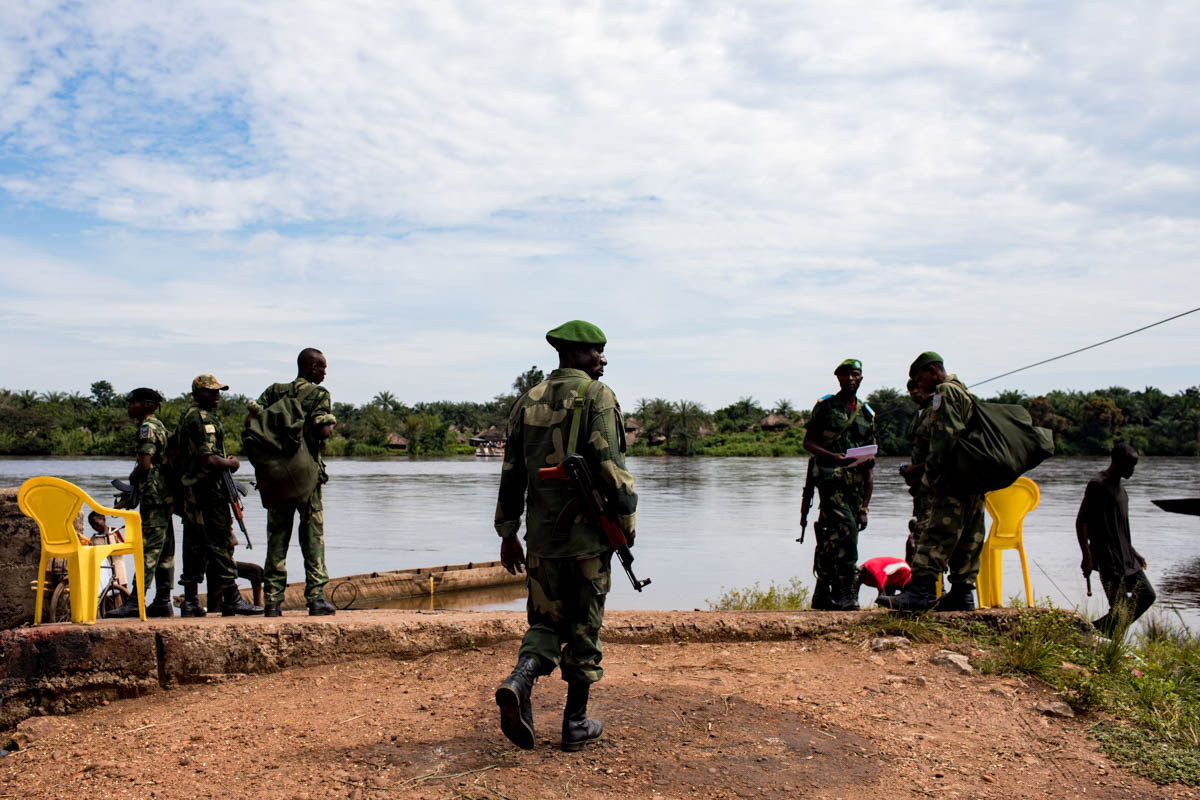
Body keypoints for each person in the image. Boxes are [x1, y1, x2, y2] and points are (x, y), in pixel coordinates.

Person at [493, 320, 638, 752]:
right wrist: (626, 526)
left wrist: (507, 532)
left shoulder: (526, 401)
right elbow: (612, 470)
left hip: (540, 540)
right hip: (588, 540)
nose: (603, 359)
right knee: (583, 628)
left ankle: (520, 680)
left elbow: (511, 475)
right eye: (597, 352)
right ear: (574, 354)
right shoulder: (598, 396)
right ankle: (574, 723)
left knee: (543, 622)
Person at [880, 352, 983, 612]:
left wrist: (930, 479)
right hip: (970, 480)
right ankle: (963, 594)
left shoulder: (945, 393)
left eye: (919, 378)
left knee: (933, 533)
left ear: (933, 370)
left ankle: (919, 594)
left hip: (950, 480)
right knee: (967, 537)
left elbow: (944, 442)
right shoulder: (964, 391)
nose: (919, 385)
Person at [245, 348, 338, 617]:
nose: (324, 373)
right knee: (312, 537)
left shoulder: (274, 391)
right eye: (321, 368)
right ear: (310, 368)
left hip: (276, 478)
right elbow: (323, 430)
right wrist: (328, 424)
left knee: (277, 537)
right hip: (305, 477)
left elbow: (251, 420)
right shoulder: (319, 394)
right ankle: (315, 598)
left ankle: (273, 601)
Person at [177, 374, 262, 617]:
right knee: (222, 542)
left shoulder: (187, 416)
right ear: (196, 393)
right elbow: (210, 459)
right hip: (208, 492)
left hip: (193, 492)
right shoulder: (203, 419)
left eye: (218, 392)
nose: (216, 396)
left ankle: (191, 600)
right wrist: (232, 463)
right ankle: (233, 598)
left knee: (194, 545)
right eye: (210, 392)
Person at [801, 358, 875, 610]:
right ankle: (847, 592)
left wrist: (865, 506)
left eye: (854, 375)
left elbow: (870, 465)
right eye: (845, 375)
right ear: (838, 379)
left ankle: (822, 592)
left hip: (855, 485)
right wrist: (832, 457)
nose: (850, 379)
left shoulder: (866, 414)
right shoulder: (826, 407)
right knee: (847, 530)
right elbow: (808, 443)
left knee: (830, 536)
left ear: (861, 378)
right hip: (830, 482)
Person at [107, 388, 176, 618]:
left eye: (133, 402)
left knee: (148, 549)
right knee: (165, 549)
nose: (129, 406)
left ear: (147, 405)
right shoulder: (161, 426)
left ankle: (136, 601)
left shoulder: (147, 428)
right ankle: (163, 601)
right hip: (164, 496)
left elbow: (145, 464)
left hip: (154, 497)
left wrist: (133, 477)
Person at [1076, 443, 1156, 636]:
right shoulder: (1098, 484)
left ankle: (1092, 631)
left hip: (1127, 558)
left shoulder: (1120, 488)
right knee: (1119, 608)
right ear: (1117, 462)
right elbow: (1082, 522)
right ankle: (1097, 636)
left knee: (1147, 595)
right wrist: (1086, 556)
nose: (1133, 470)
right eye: (1130, 465)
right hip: (1108, 559)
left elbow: (1119, 528)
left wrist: (1134, 552)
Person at [900, 378, 933, 568]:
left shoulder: (935, 412)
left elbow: (939, 454)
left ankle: (928, 587)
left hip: (933, 484)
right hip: (921, 485)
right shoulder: (919, 415)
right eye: (911, 390)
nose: (914, 393)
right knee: (920, 529)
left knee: (925, 534)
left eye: (918, 388)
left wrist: (914, 469)